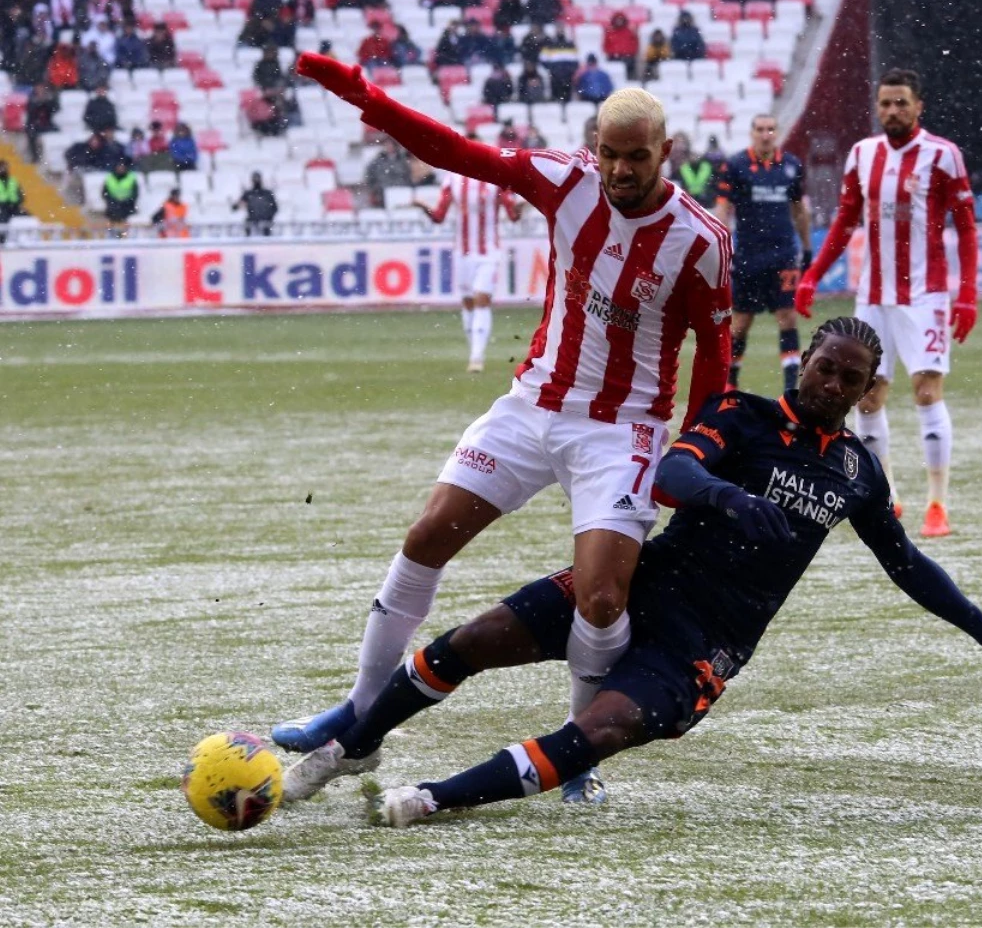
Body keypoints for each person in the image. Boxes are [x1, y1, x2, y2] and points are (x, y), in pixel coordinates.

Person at [279, 317, 982, 822]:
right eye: (822, 368)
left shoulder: (859, 476)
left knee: (597, 732)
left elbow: (908, 566)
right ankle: (349, 746)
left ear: (869, 389)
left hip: (707, 642)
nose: (831, 383)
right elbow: (673, 474)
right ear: (804, 365)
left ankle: (428, 802)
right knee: (474, 638)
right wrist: (731, 499)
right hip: (640, 584)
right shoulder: (743, 414)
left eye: (848, 377)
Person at [272, 54, 732, 805]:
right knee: (426, 537)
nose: (620, 169)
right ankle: (358, 714)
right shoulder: (567, 179)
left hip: (622, 432)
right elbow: (457, 151)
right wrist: (368, 99)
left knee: (603, 601)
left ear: (666, 152)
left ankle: (576, 750)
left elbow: (714, 359)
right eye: (610, 153)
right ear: (596, 145)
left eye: (636, 156)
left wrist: (698, 452)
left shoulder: (700, 240)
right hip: (532, 405)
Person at [794, 68, 979, 540]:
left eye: (901, 103)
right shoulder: (862, 154)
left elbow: (967, 227)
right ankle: (888, 495)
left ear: (919, 106)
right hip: (872, 295)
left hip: (925, 295)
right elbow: (843, 222)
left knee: (925, 391)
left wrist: (968, 294)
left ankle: (938, 503)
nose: (892, 111)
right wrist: (813, 274)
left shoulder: (943, 156)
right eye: (885, 103)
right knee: (867, 395)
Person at [716, 114, 811, 394]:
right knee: (741, 323)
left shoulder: (792, 166)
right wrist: (720, 246)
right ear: (751, 133)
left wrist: (806, 248)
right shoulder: (735, 165)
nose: (766, 134)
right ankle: (730, 384)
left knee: (787, 316)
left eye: (770, 129)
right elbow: (723, 209)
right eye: (760, 129)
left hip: (782, 255)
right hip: (747, 256)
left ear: (777, 132)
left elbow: (799, 210)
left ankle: (791, 388)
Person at [415, 161, 523, 373]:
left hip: (489, 252)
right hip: (462, 253)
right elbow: (439, 216)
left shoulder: (496, 182)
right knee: (467, 303)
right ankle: (474, 351)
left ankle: (476, 357)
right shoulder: (453, 179)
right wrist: (422, 206)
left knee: (481, 300)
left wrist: (521, 208)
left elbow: (512, 215)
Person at [364, 139, 414, 207]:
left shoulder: (402, 160)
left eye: (390, 145)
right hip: (382, 192)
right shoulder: (378, 160)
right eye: (387, 145)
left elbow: (408, 175)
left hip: (400, 190)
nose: (389, 147)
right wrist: (375, 187)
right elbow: (370, 174)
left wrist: (406, 186)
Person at [232, 170, 279, 235]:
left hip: (265, 221)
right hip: (252, 220)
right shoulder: (248, 193)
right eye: (255, 179)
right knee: (248, 227)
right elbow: (236, 206)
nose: (256, 181)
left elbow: (275, 208)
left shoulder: (267, 193)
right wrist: (236, 206)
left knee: (266, 234)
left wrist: (269, 217)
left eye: (257, 179)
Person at [102, 157, 138, 236]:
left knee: (125, 212)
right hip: (113, 202)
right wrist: (113, 200)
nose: (121, 169)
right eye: (119, 167)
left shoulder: (131, 177)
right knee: (112, 210)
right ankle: (112, 233)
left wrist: (127, 200)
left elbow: (135, 193)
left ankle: (124, 233)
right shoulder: (110, 178)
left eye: (122, 167)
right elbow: (104, 193)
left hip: (127, 203)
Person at [0, 161, 26, 245]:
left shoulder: (13, 180)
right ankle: (2, 241)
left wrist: (19, 202)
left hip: (14, 206)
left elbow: (20, 194)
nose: (3, 169)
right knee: (3, 220)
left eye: (4, 167)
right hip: (1, 207)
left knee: (25, 217)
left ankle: (23, 240)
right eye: (1, 167)